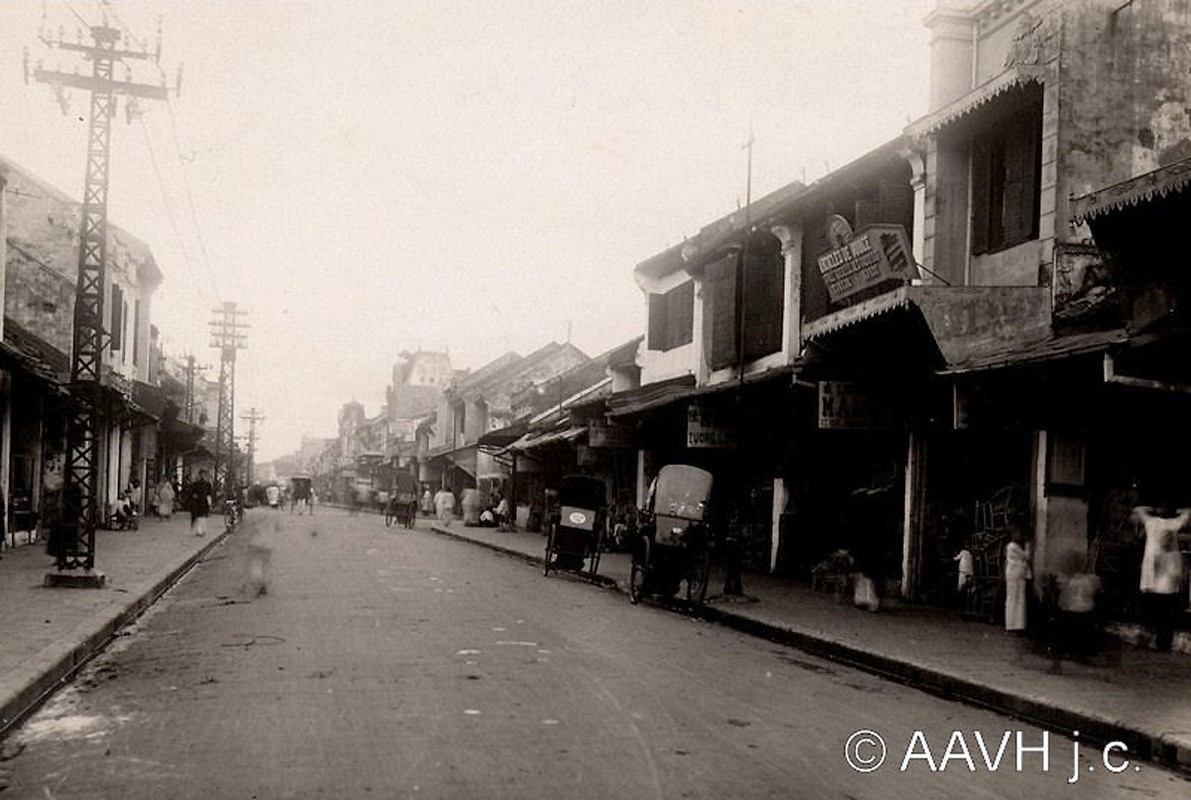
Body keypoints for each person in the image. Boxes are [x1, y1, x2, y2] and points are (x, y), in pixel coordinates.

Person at [1133, 504, 1190, 652]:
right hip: (1164, 587)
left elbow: (1139, 510)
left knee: (1157, 616)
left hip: (1156, 585)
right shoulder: (1170, 525)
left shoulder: (1153, 524)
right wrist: (1181, 510)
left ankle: (1156, 642)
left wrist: (1148, 508)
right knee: (1164, 617)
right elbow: (1187, 515)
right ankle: (1160, 643)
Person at [1004, 520, 1033, 633]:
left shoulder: (1011, 546)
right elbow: (1026, 556)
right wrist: (1028, 546)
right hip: (1016, 574)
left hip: (1014, 574)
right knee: (1018, 599)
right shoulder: (1013, 546)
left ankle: (1013, 624)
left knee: (1013, 598)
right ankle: (1016, 624)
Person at [189, 469, 213, 537]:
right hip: (198, 503)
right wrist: (194, 496)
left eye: (204, 474)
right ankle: (199, 531)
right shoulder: (196, 484)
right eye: (201, 474)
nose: (202, 476)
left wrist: (209, 503)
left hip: (204, 502)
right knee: (199, 516)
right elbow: (192, 493)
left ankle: (202, 530)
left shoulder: (208, 484)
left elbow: (209, 494)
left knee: (204, 517)